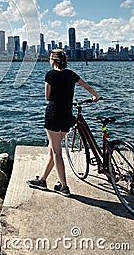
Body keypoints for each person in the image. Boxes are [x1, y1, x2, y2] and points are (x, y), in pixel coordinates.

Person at [27, 49, 101, 197]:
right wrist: (96, 96)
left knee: (56, 152)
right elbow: (87, 87)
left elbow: (47, 97)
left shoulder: (50, 75)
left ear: (53, 60)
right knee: (52, 150)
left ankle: (64, 187)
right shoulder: (71, 74)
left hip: (53, 116)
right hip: (67, 117)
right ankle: (42, 179)